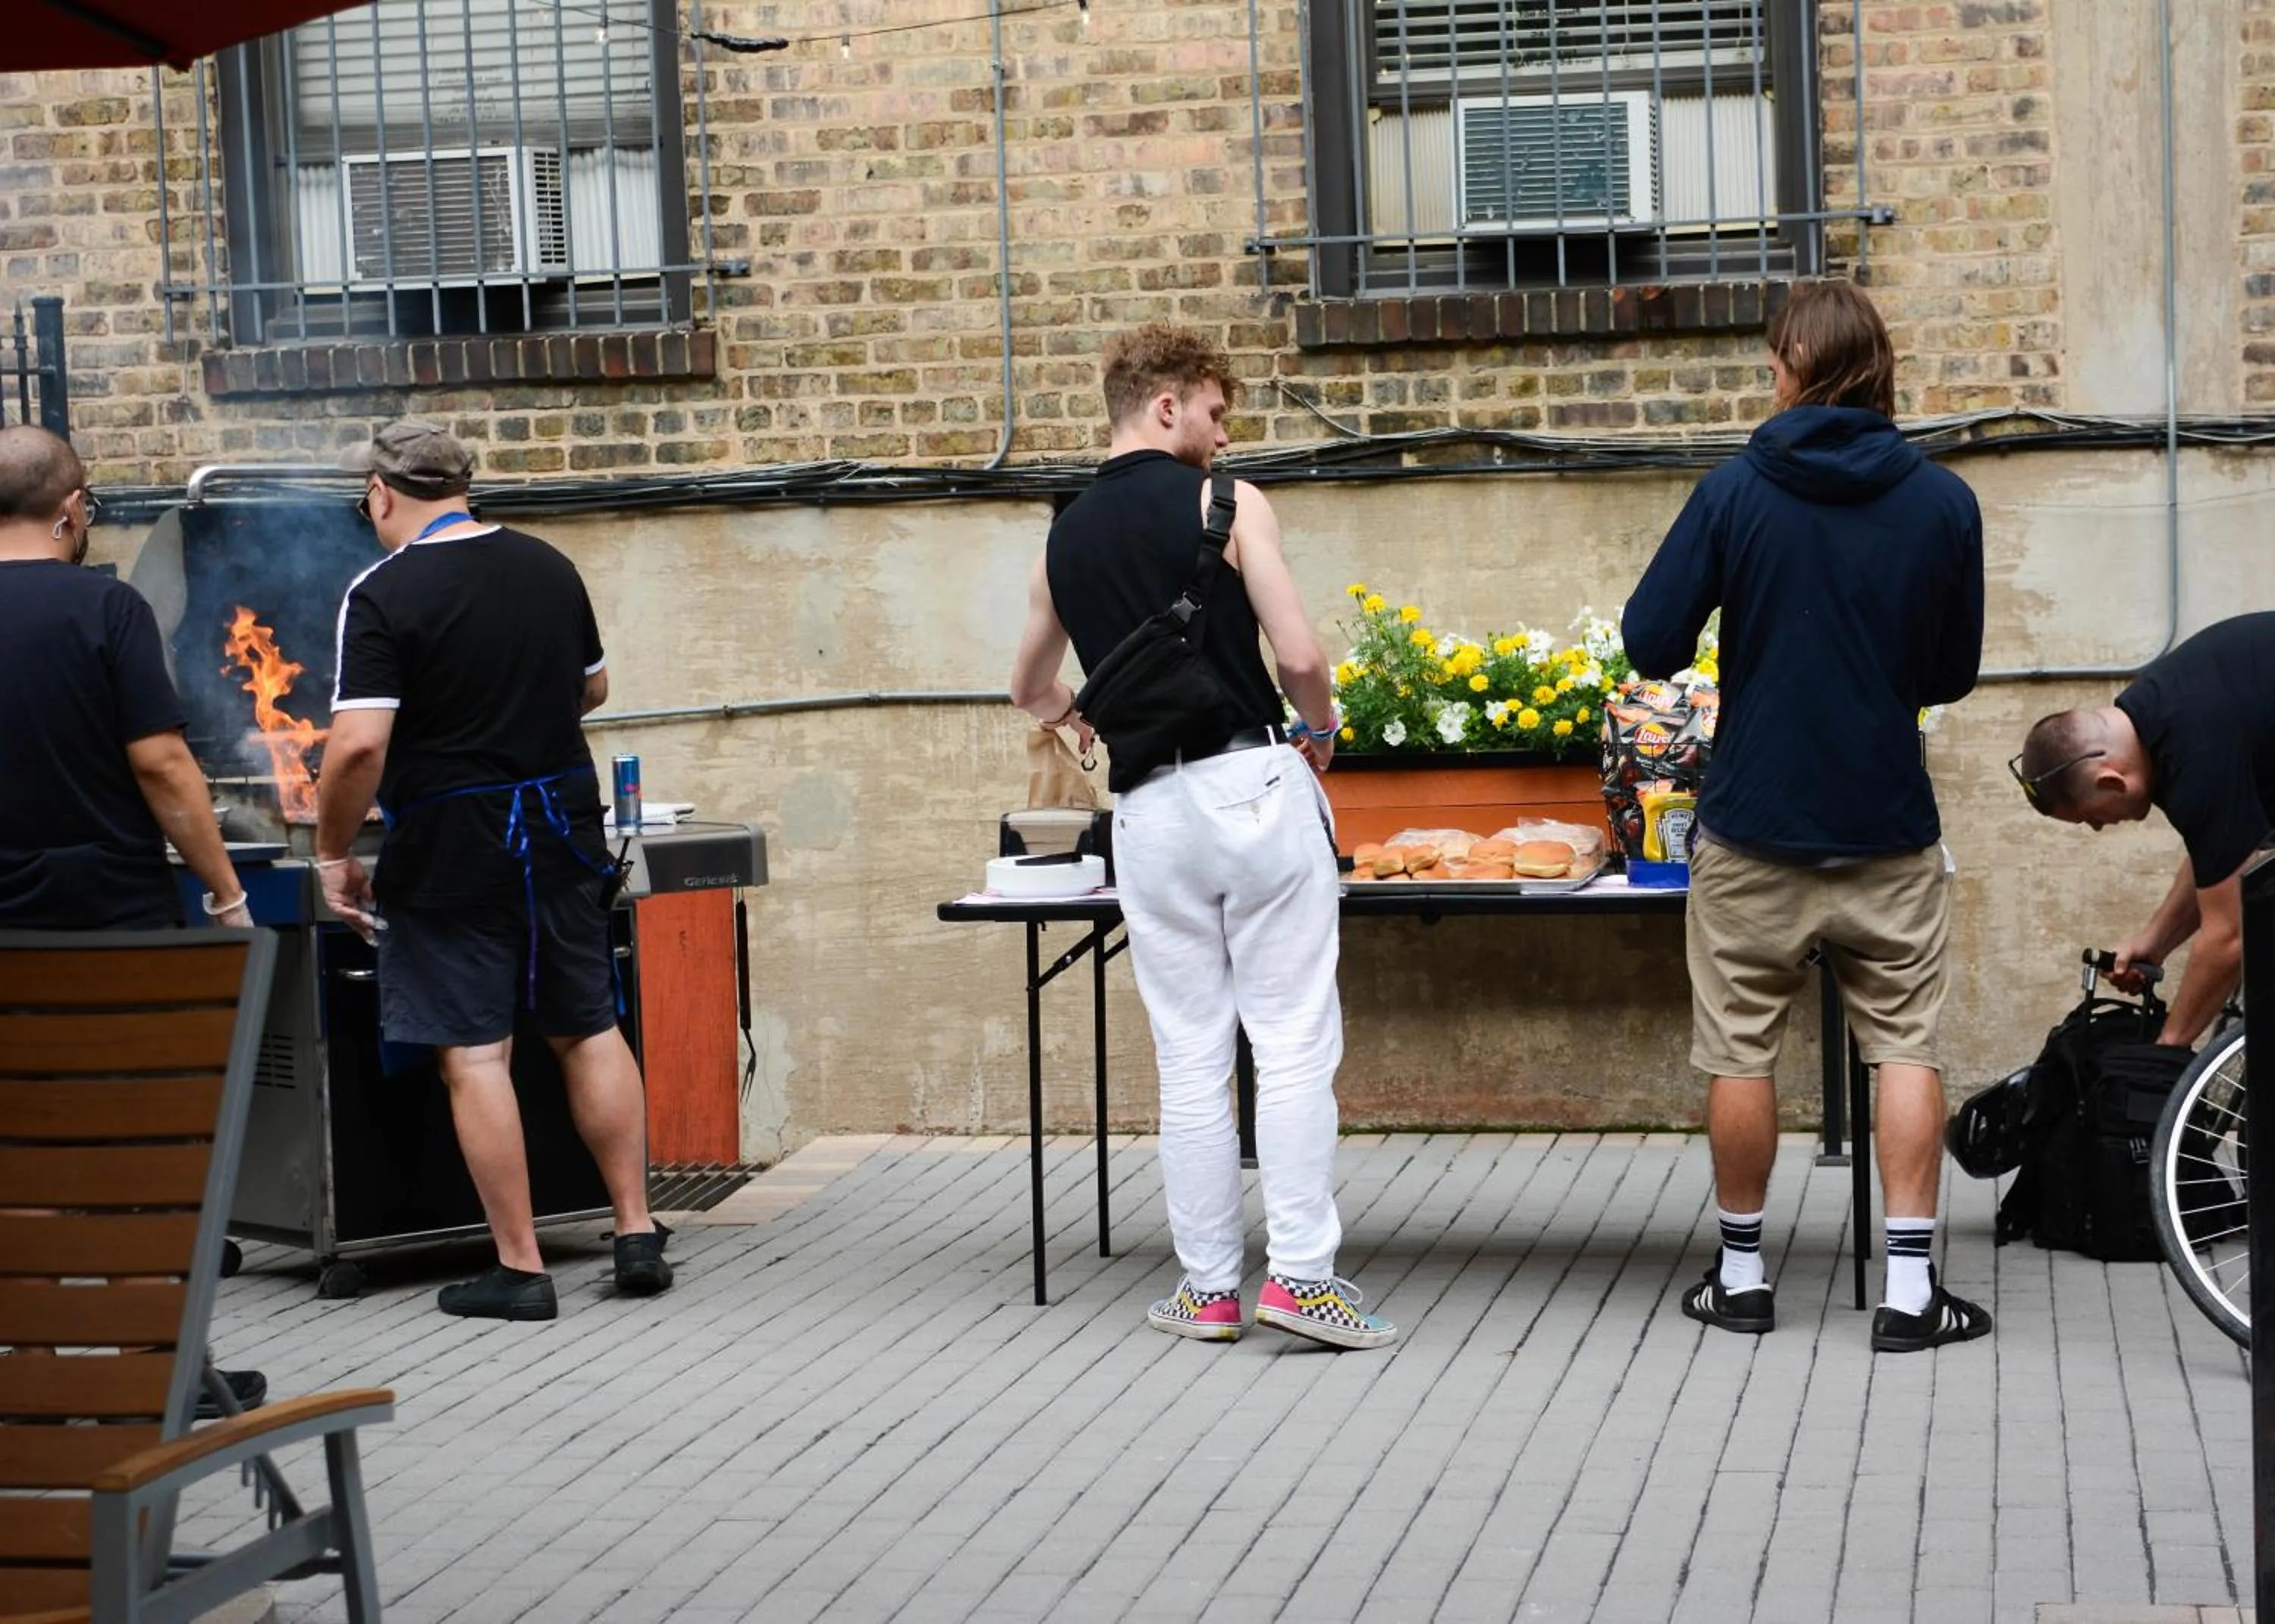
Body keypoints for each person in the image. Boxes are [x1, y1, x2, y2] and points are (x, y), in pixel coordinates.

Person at [1007, 324, 1394, 1350]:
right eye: (1216, 414)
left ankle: (1209, 1290)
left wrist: (1080, 721)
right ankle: (1303, 1281)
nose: (1224, 436)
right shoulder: (1231, 504)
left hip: (1150, 814)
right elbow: (1300, 656)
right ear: (1166, 404)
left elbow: (1027, 685)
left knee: (1189, 1055)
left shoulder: (1062, 541)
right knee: (1292, 1039)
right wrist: (1322, 731)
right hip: (1252, 786)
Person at [1623, 280, 1989, 1354]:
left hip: (1753, 825)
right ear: (1877, 370)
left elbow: (1651, 642)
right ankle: (1910, 1295)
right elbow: (1950, 673)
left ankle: (1742, 1280)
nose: (1770, 376)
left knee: (1741, 1051)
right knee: (1906, 1045)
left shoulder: (1737, 490)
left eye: (1775, 361)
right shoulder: (1943, 502)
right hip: (1887, 826)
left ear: (1796, 368)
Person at [314, 419, 668, 1322]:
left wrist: (331, 854)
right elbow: (593, 688)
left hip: (454, 845)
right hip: (561, 831)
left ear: (380, 495)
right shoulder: (548, 565)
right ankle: (635, 1232)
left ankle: (520, 1268)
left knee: (477, 1053)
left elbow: (358, 746)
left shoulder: (382, 590)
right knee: (587, 1026)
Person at [0, 422, 268, 1416]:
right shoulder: (107, 608)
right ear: (73, 509)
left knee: (21, 1152)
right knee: (137, 1150)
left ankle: (36, 1377)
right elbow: (160, 764)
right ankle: (155, 1371)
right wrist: (227, 892)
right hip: (113, 927)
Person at [2010, 612, 2275, 1049]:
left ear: (2112, 781)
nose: (2099, 828)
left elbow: (2229, 937)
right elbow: (2221, 857)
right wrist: (2154, 942)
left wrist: (2166, 1054)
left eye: (2090, 817)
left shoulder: (2194, 755)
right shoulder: (2157, 719)